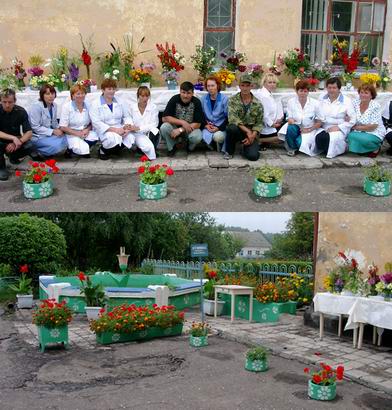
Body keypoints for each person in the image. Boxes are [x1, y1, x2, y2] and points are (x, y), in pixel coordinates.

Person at [89, 79, 134, 160]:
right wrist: (116, 130)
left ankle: (114, 150)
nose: (112, 91)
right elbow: (96, 122)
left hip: (120, 127)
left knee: (130, 138)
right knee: (112, 139)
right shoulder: (95, 104)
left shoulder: (120, 101)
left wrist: (127, 128)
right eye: (109, 89)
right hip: (105, 129)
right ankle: (103, 150)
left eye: (113, 89)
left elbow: (127, 116)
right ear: (103, 90)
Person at [223, 74, 263, 161]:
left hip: (251, 132)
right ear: (239, 86)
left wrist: (252, 135)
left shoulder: (258, 103)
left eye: (248, 85)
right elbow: (232, 118)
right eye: (242, 85)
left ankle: (245, 147)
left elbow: (259, 123)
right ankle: (229, 151)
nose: (245, 88)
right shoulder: (232, 100)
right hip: (238, 130)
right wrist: (247, 131)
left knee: (253, 157)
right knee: (231, 128)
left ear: (251, 86)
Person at [314, 77, 356, 158]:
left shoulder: (347, 101)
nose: (331, 90)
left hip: (339, 128)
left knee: (329, 140)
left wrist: (339, 127)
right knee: (318, 138)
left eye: (334, 88)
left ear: (339, 89)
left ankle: (337, 148)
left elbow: (353, 119)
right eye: (329, 87)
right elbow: (317, 112)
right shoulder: (321, 98)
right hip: (323, 127)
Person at [278, 80, 322, 156]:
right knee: (290, 128)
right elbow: (289, 117)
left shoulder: (315, 103)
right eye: (301, 91)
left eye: (305, 91)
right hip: (296, 126)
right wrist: (290, 120)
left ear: (308, 92)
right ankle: (292, 148)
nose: (303, 93)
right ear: (296, 91)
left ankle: (298, 143)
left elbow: (319, 122)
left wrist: (309, 129)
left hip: (309, 129)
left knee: (299, 143)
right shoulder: (291, 102)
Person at [160, 81, 203, 156]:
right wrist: (182, 122)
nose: (185, 96)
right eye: (183, 92)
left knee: (197, 137)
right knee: (164, 127)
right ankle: (172, 147)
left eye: (188, 93)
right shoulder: (174, 99)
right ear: (180, 91)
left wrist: (181, 129)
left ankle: (189, 147)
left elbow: (198, 123)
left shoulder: (196, 102)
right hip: (174, 128)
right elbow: (164, 118)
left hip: (189, 129)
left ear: (192, 93)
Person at [0, 89, 33, 181]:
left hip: (16, 142)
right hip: (2, 140)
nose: (7, 105)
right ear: (0, 101)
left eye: (10, 102)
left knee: (30, 145)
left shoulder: (21, 111)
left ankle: (13, 157)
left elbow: (29, 132)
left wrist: (18, 142)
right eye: (4, 102)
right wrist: (13, 138)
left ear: (15, 101)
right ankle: (1, 167)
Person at [59, 84, 98, 158]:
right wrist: (77, 133)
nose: (81, 96)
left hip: (85, 132)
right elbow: (63, 127)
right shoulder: (67, 107)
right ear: (73, 96)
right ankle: (70, 150)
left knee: (97, 136)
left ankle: (81, 147)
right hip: (71, 133)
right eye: (78, 94)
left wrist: (87, 129)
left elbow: (93, 122)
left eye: (82, 93)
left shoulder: (89, 105)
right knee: (82, 150)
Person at [29, 84, 67, 158]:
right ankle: (37, 151)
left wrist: (60, 129)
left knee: (67, 138)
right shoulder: (36, 107)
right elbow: (35, 127)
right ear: (42, 95)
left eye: (52, 93)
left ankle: (47, 151)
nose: (51, 96)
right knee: (57, 146)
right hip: (38, 135)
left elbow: (54, 122)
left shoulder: (54, 105)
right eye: (47, 94)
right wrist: (53, 131)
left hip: (48, 134)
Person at [347, 84, 385, 157]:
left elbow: (373, 126)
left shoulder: (375, 106)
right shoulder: (355, 103)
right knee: (350, 136)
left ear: (371, 95)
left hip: (374, 131)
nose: (363, 95)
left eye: (366, 93)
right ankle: (362, 150)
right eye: (361, 92)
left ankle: (376, 148)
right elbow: (348, 116)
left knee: (364, 139)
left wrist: (355, 127)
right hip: (359, 130)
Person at [127, 86, 158, 160]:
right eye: (142, 96)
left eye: (147, 96)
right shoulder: (132, 107)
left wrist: (139, 128)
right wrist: (130, 125)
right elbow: (128, 118)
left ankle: (144, 150)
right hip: (135, 133)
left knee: (155, 132)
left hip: (148, 132)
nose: (145, 98)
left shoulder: (153, 107)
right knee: (145, 146)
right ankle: (139, 149)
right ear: (138, 96)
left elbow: (154, 123)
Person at [255, 73, 284, 149]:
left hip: (272, 123)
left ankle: (265, 142)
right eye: (270, 82)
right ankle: (259, 140)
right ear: (264, 83)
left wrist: (280, 119)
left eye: (274, 83)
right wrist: (272, 124)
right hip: (265, 126)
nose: (272, 85)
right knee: (283, 137)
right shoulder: (264, 96)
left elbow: (275, 110)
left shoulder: (269, 94)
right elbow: (263, 114)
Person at [201, 76, 228, 151]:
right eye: (208, 86)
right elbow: (201, 114)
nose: (210, 88)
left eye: (213, 85)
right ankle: (210, 144)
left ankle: (218, 144)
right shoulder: (203, 98)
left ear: (218, 86)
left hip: (220, 126)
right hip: (208, 125)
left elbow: (228, 117)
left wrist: (218, 128)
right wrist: (206, 125)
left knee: (218, 137)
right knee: (201, 135)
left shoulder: (224, 99)